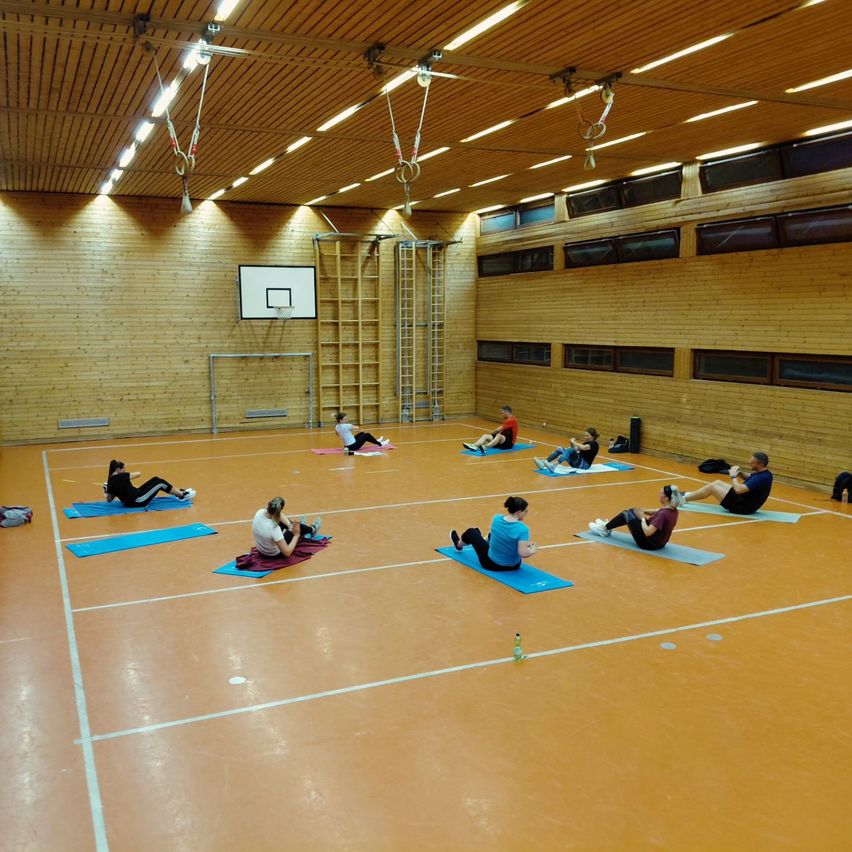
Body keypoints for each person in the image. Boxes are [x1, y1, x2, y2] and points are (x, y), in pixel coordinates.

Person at [450, 495, 536, 571]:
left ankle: (458, 545)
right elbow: (523, 553)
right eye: (525, 511)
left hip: (491, 565)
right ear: (518, 512)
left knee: (471, 532)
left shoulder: (496, 518)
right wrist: (531, 550)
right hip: (514, 566)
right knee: (499, 535)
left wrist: (531, 550)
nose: (526, 513)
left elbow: (522, 553)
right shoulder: (523, 529)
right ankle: (481, 540)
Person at [588, 484, 684, 550]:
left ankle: (604, 529)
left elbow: (648, 532)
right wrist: (642, 510)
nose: (659, 494)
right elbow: (657, 511)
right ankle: (608, 526)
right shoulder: (673, 510)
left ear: (666, 498)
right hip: (659, 543)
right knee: (632, 510)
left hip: (649, 544)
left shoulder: (662, 515)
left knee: (626, 514)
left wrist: (642, 518)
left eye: (661, 493)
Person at [683, 451, 773, 515]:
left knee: (712, 488)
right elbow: (750, 477)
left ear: (760, 464)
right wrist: (740, 473)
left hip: (743, 507)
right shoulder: (765, 473)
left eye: (753, 463)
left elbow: (738, 490)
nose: (750, 463)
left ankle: (683, 499)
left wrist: (733, 476)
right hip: (744, 499)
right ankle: (691, 495)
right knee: (717, 482)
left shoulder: (761, 477)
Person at [252, 496, 322, 558]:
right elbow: (287, 553)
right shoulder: (274, 528)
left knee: (289, 524)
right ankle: (312, 529)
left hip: (262, 550)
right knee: (297, 526)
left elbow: (279, 515)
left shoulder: (260, 512)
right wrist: (296, 535)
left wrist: (289, 525)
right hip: (274, 554)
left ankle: (302, 529)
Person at [104, 460, 195, 507]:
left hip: (133, 498)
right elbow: (138, 474)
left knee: (155, 479)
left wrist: (106, 490)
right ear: (118, 469)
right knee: (160, 483)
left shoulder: (110, 481)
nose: (125, 471)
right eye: (124, 469)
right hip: (138, 500)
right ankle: (182, 495)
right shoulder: (121, 476)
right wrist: (125, 475)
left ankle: (178, 492)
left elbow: (109, 500)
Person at [534, 427, 599, 472]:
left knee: (569, 450)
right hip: (577, 463)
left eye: (587, 436)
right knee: (560, 449)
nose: (585, 437)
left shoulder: (594, 444)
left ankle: (554, 466)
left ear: (593, 436)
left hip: (584, 465)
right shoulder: (586, 443)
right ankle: (544, 463)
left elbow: (583, 447)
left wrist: (574, 442)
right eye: (585, 435)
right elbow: (574, 449)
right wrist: (571, 443)